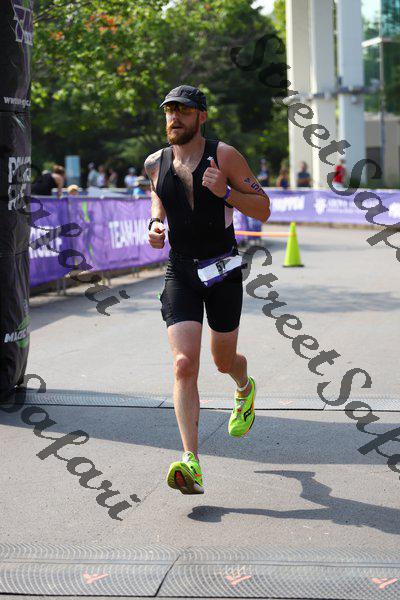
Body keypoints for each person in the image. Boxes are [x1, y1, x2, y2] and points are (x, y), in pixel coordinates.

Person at [144, 84, 270, 495]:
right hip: (180, 271)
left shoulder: (225, 156)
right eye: (169, 111)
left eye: (183, 110)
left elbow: (264, 208)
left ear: (201, 116)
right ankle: (191, 461)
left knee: (222, 360)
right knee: (184, 364)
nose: (174, 117)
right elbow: (158, 200)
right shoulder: (155, 163)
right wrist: (155, 225)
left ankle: (244, 387)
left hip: (222, 270)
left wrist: (226, 192)